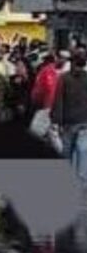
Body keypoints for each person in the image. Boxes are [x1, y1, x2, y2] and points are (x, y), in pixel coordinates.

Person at [53, 51, 87, 186]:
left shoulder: (64, 78)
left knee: (66, 150)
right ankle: (81, 180)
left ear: (72, 63)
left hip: (68, 121)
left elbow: (59, 101)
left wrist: (57, 121)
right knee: (82, 150)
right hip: (84, 121)